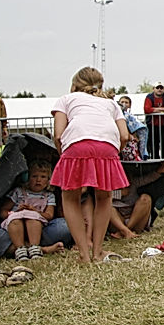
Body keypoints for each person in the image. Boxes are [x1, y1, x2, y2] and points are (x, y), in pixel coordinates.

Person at [50, 67, 130, 264]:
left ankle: (84, 255)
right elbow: (125, 135)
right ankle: (98, 251)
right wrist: (113, 154)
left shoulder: (66, 100)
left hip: (76, 145)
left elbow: (59, 134)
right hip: (108, 147)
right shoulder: (111, 104)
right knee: (104, 198)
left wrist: (64, 155)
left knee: (70, 198)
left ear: (75, 84)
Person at [0, 159, 56, 261]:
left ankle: (34, 247)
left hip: (37, 226)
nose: (38, 180)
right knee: (15, 220)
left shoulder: (49, 196)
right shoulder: (18, 192)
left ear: (48, 181)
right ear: (27, 178)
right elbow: (3, 211)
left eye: (43, 177)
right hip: (15, 223)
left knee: (33, 219)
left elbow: (49, 215)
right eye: (34, 176)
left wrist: (34, 211)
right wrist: (15, 214)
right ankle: (20, 249)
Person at [143, 84, 164, 159]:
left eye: (161, 88)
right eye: (157, 87)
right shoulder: (149, 97)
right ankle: (154, 161)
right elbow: (147, 109)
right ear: (153, 89)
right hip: (152, 125)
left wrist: (155, 109)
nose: (159, 89)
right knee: (152, 145)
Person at [116, 96, 148, 161]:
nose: (124, 104)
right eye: (122, 102)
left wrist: (134, 135)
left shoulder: (130, 117)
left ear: (130, 105)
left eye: (126, 102)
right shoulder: (116, 114)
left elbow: (135, 127)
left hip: (129, 139)